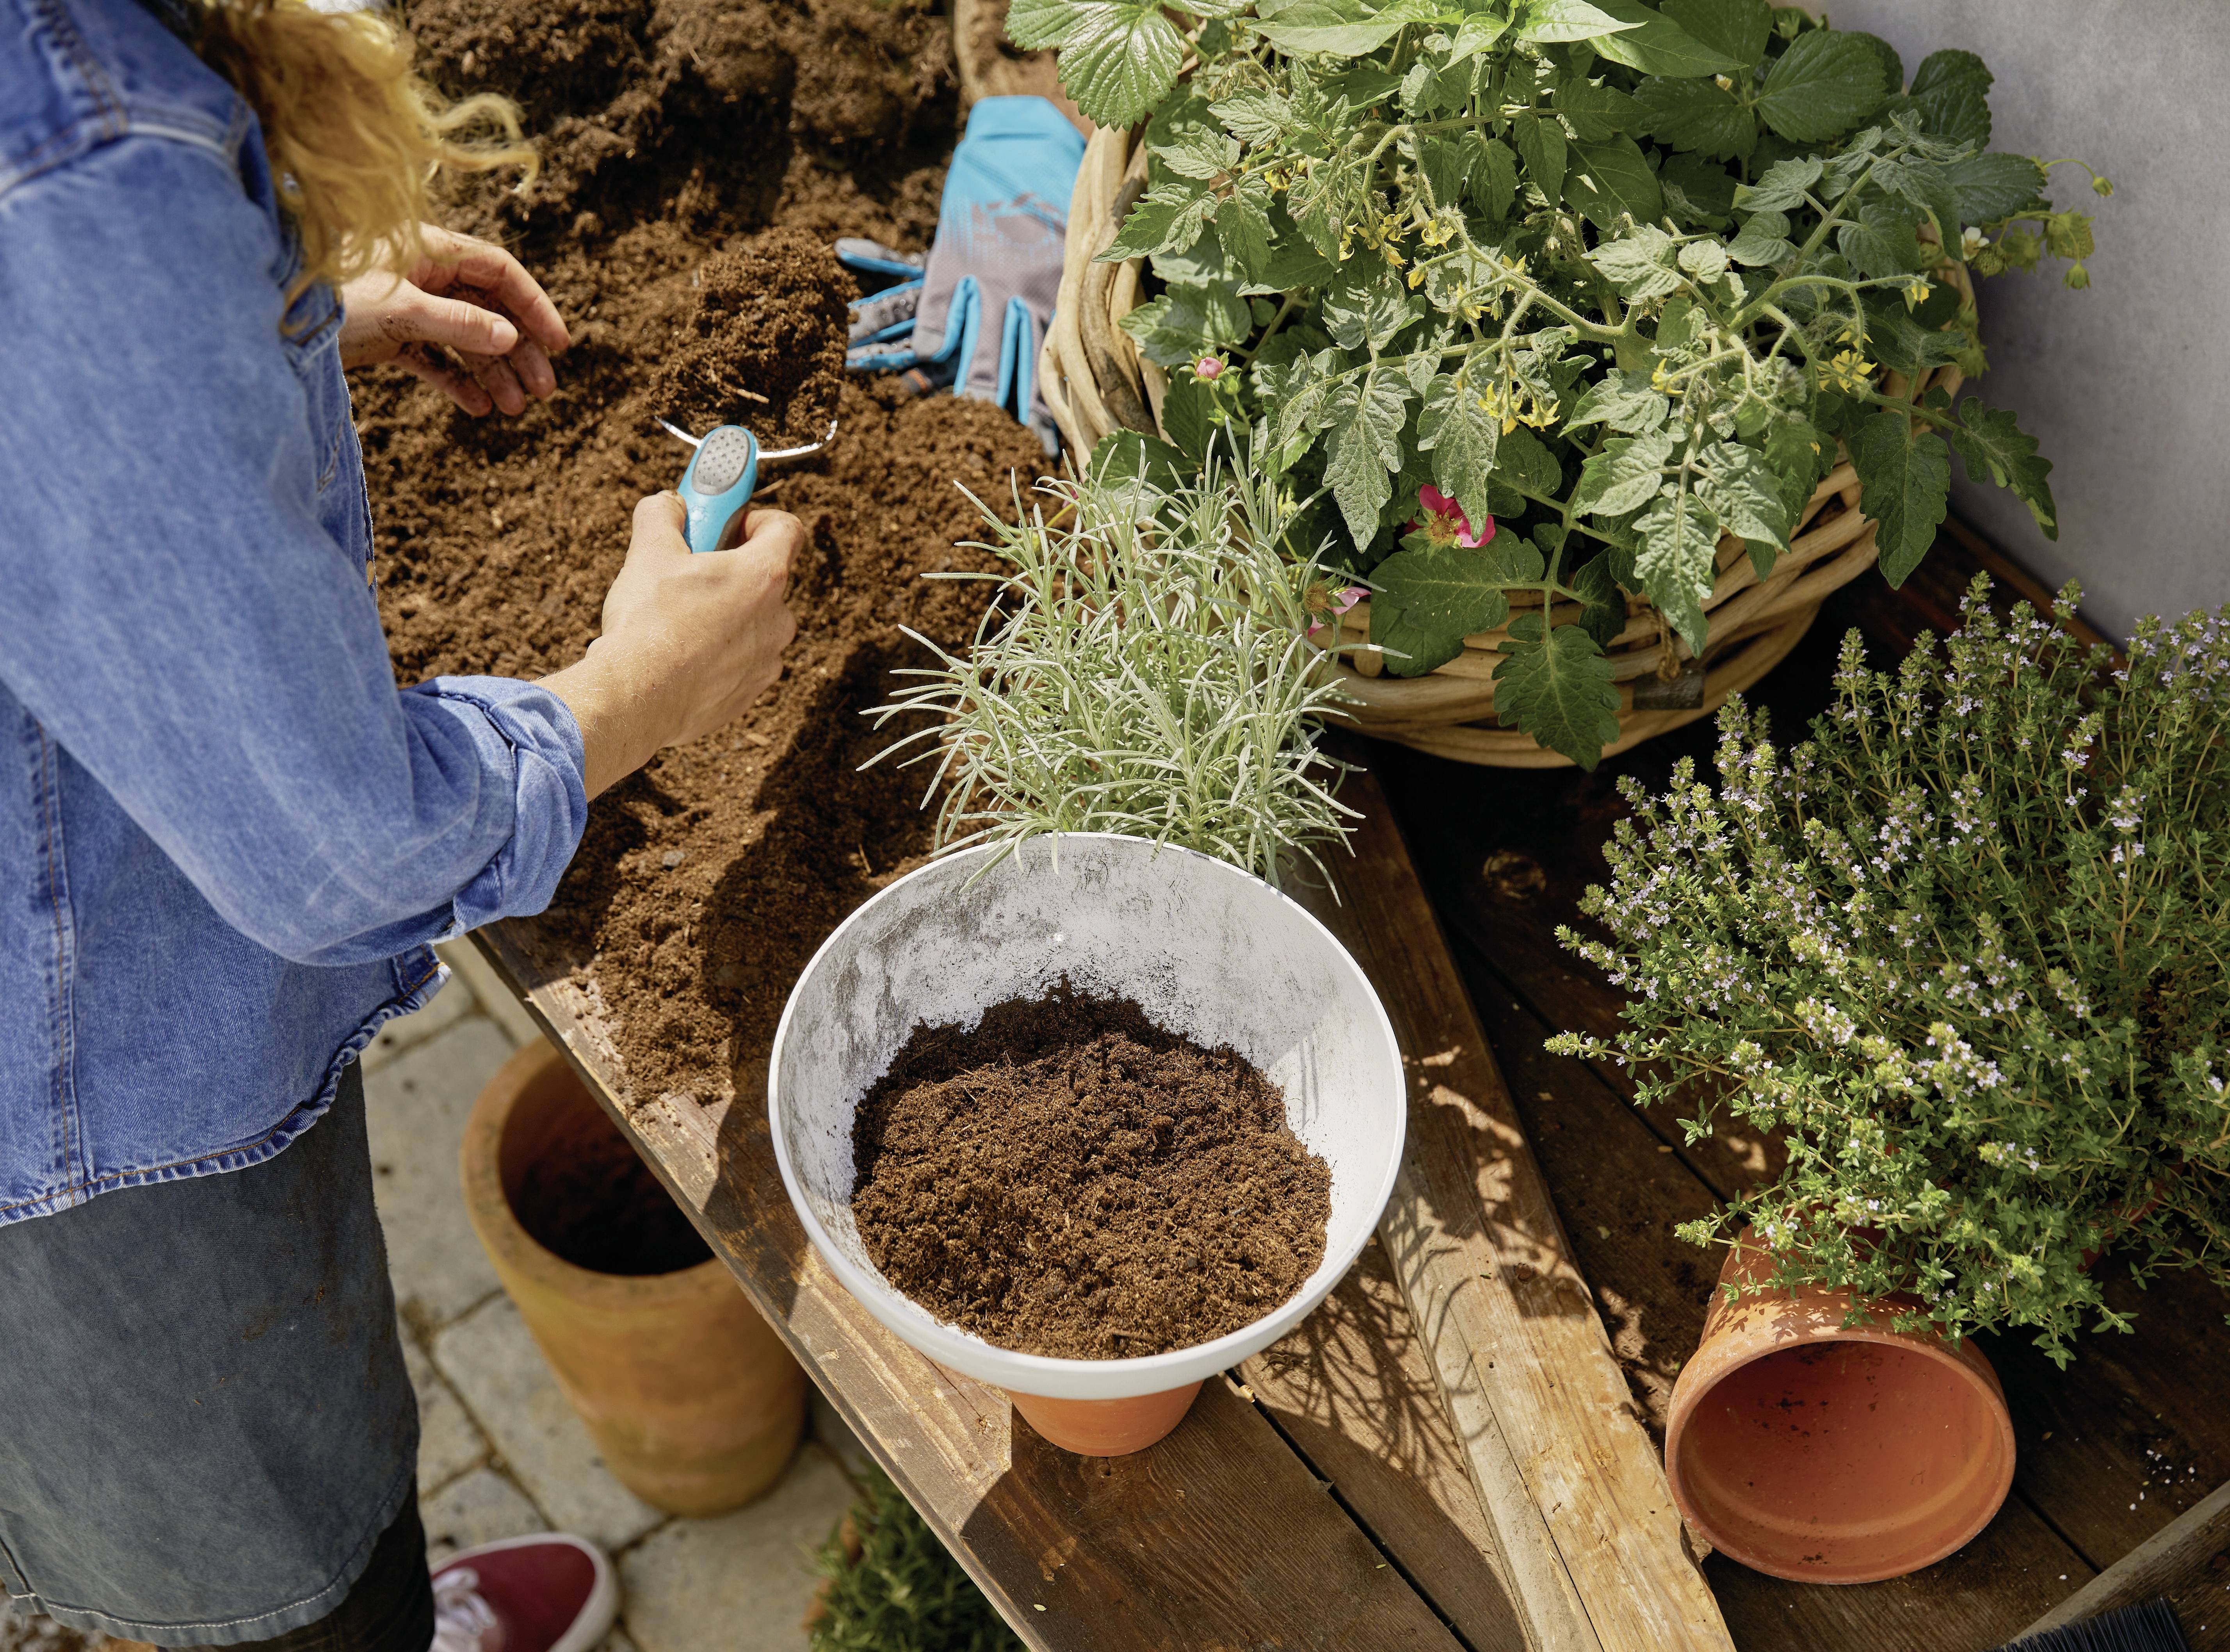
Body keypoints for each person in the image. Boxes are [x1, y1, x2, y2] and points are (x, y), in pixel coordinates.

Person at [0, 0, 803, 1646]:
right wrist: (638, 685)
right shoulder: (71, 151)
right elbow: (338, 846)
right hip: (88, 1105)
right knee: (277, 1572)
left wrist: (247, 329)